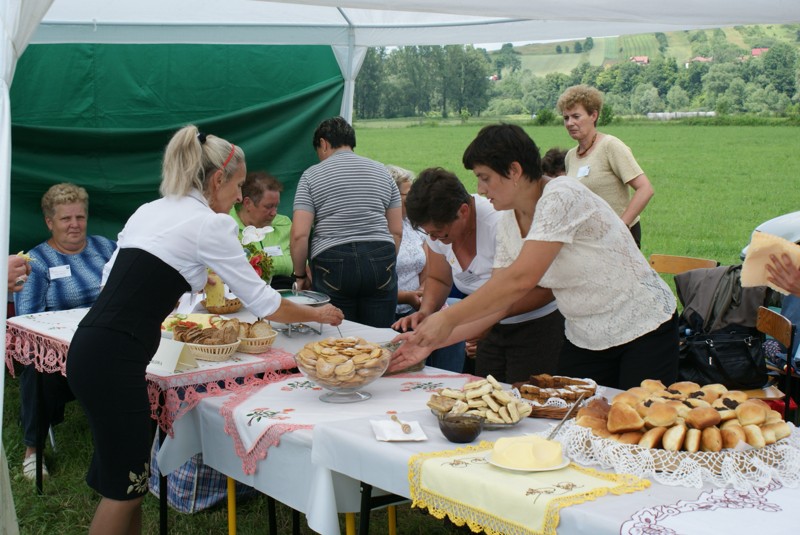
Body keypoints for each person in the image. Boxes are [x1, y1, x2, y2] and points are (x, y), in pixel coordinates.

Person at [66, 125, 343, 535]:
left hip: (90, 347)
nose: (239, 196)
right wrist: (318, 314)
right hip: (115, 358)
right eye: (238, 185)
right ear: (216, 180)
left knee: (130, 482)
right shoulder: (209, 224)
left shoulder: (151, 210)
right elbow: (265, 302)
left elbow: (112, 280)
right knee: (123, 491)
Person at [391, 124, 679, 391]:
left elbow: (521, 279)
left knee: (636, 420)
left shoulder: (561, 194)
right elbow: (500, 302)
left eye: (484, 178)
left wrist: (447, 318)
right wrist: (431, 341)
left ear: (514, 171)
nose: (479, 189)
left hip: (641, 326)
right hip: (586, 335)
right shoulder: (509, 221)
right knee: (576, 419)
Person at [392, 167, 564, 384]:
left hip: (533, 326)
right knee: (486, 391)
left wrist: (481, 321)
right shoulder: (439, 227)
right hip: (484, 324)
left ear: (463, 211)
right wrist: (426, 311)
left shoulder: (500, 223)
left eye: (440, 233)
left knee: (527, 394)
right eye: (430, 234)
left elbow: (545, 288)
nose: (435, 239)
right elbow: (438, 279)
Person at [13, 183, 116, 481]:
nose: (74, 224)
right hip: (62, 357)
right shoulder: (35, 262)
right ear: (50, 222)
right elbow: (27, 321)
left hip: (110, 344)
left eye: (80, 217)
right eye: (65, 218)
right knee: (36, 367)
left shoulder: (107, 248)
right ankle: (33, 450)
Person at [291, 116, 402, 328]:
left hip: (332, 259)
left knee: (338, 336)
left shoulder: (310, 176)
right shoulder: (383, 172)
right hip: (381, 255)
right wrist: (383, 262)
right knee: (380, 337)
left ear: (323, 143)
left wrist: (299, 275)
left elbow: (299, 235)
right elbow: (396, 231)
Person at [387, 164, 466, 373]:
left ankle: (449, 376)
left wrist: (424, 293)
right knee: (449, 313)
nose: (413, 200)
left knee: (454, 311)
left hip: (418, 302)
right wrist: (409, 297)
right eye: (407, 194)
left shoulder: (414, 227)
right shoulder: (382, 230)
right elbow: (378, 286)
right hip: (395, 307)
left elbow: (430, 270)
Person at [557, 84, 654, 248]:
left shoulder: (610, 146)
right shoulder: (570, 157)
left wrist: (621, 227)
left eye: (576, 116)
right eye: (566, 118)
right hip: (588, 239)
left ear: (593, 115)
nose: (570, 123)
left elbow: (645, 189)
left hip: (618, 238)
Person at [230, 171, 296, 289]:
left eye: (276, 206)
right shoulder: (227, 225)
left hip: (285, 291)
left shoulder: (284, 224)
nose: (274, 213)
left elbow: (300, 266)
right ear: (247, 203)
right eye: (268, 207)